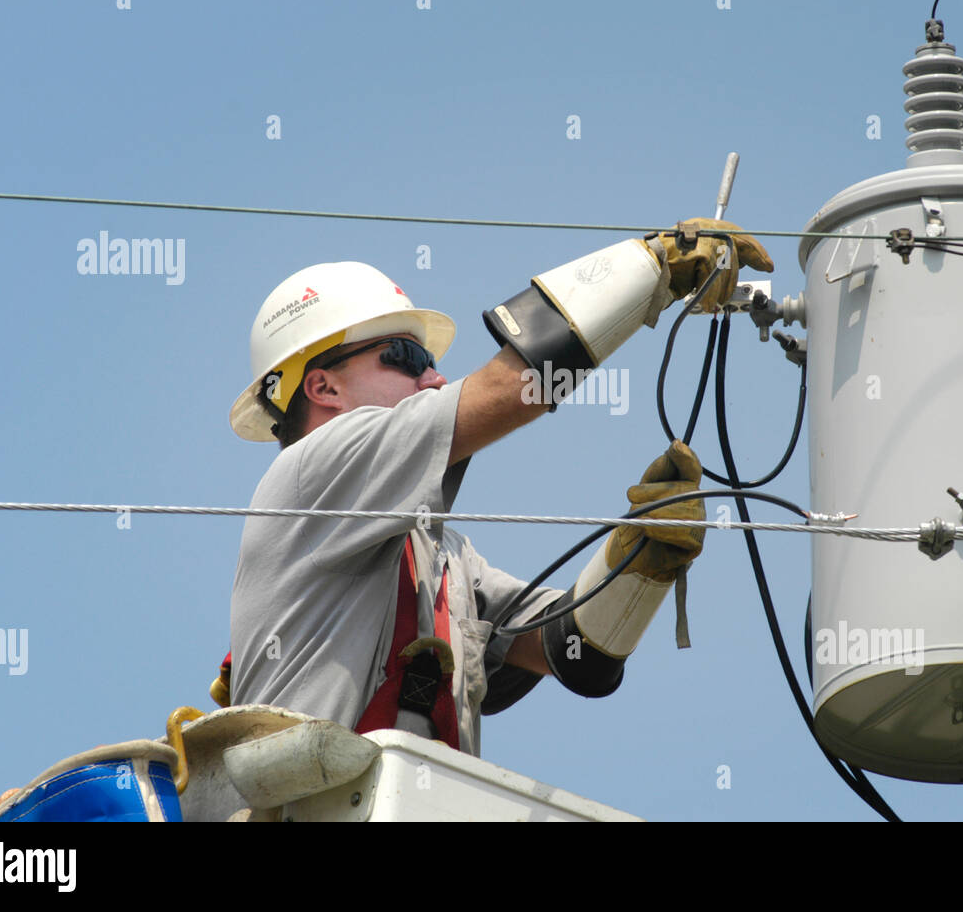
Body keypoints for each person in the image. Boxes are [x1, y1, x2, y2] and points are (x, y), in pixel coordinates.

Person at [220, 220, 773, 756]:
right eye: (407, 358)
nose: (434, 378)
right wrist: (651, 270)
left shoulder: (443, 558)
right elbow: (512, 387)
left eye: (431, 362)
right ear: (324, 386)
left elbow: (577, 653)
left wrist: (640, 561)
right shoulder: (308, 477)